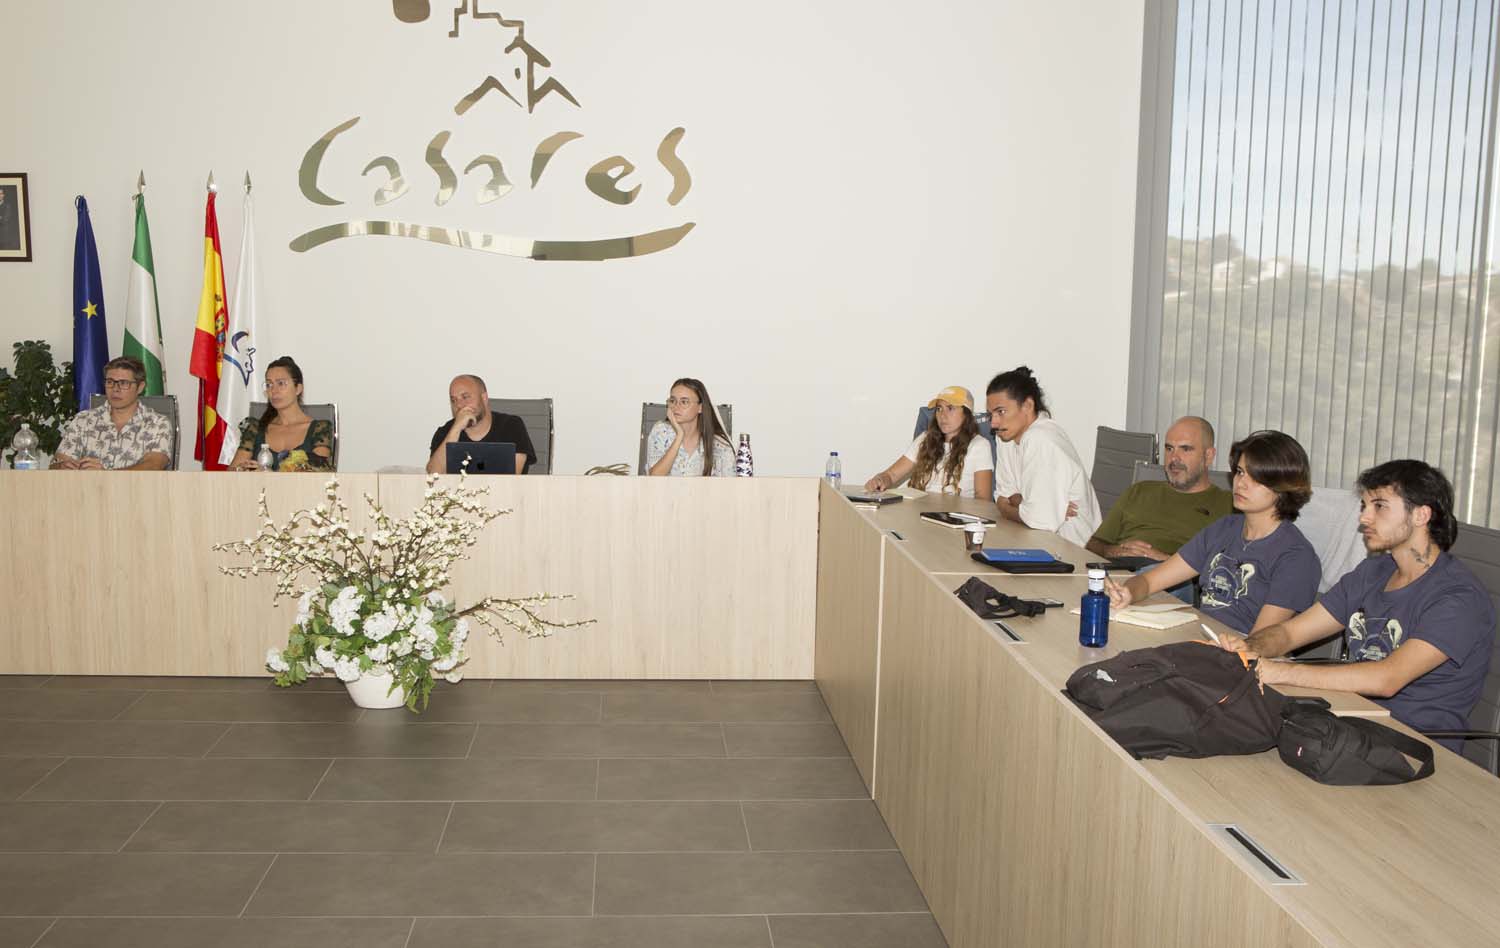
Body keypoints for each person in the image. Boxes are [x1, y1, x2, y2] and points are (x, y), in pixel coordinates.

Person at [1221, 460, 1495, 751]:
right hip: (1350, 723)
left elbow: (1387, 679)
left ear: (1421, 514)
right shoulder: (1372, 572)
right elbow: (1290, 634)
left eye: (1379, 507)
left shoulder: (1459, 597)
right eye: (1364, 507)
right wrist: (1250, 648)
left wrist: (1280, 672)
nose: (1364, 518)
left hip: (1415, 746)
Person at [1105, 429, 1320, 636]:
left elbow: (1260, 644)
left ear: (1283, 488)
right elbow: (1150, 581)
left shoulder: (1296, 556)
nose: (1241, 484)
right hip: (1201, 639)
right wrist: (1128, 592)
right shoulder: (1224, 528)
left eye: (1256, 478)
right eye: (1240, 472)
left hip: (1242, 657)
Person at [1085, 415, 1234, 562]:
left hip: (1175, 583)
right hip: (1119, 573)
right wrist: (1114, 552)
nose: (1174, 458)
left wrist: (1165, 561)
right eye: (1169, 448)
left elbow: (1225, 571)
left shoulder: (1228, 505)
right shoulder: (1139, 491)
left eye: (1185, 449)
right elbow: (1093, 545)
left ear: (1208, 456)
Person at [986, 366, 1100, 546]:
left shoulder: (1041, 438)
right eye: (990, 414)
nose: (993, 423)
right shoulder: (1005, 436)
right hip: (1030, 537)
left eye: (1001, 412)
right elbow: (1003, 496)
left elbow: (1040, 520)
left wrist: (1013, 505)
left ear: (1028, 406)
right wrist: (1021, 504)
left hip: (1073, 548)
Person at [864, 386, 994, 500]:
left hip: (956, 519)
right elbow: (891, 475)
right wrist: (880, 480)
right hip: (922, 514)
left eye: (950, 408)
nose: (943, 415)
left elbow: (983, 501)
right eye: (939, 409)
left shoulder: (979, 446)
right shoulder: (925, 438)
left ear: (967, 414)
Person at [53, 356, 171, 470]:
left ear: (140, 387)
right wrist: (61, 467)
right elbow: (56, 464)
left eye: (124, 383)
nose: (115, 389)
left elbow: (154, 466)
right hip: (87, 489)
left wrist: (106, 475)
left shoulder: (157, 423)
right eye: (110, 382)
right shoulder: (83, 420)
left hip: (136, 489)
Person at [229, 356, 334, 472]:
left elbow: (320, 476)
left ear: (298, 388)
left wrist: (268, 474)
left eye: (281, 383)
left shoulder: (319, 429)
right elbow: (231, 475)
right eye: (269, 385)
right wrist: (242, 470)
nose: (274, 390)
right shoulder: (255, 428)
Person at [426, 374, 536, 475]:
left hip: (502, 494)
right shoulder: (446, 432)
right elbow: (434, 476)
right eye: (453, 400)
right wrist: (456, 428)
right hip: (459, 495)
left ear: (484, 398)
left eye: (465, 397)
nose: (459, 405)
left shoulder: (511, 426)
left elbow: (512, 477)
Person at [646, 378, 735, 476]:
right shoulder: (660, 432)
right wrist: (679, 436)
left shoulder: (719, 444)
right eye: (673, 401)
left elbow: (731, 486)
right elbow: (654, 478)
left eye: (684, 402)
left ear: (700, 407)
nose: (676, 406)